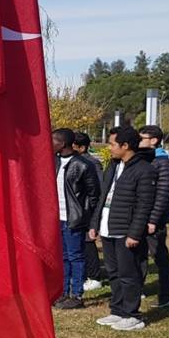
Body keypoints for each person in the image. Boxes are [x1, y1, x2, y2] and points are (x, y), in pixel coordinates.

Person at [89, 127, 157, 332]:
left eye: (112, 144)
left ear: (125, 146)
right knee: (114, 272)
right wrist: (95, 223)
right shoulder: (113, 166)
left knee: (129, 273)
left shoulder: (144, 169)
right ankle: (117, 310)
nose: (109, 148)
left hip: (126, 231)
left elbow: (144, 204)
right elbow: (103, 198)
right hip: (108, 226)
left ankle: (132, 314)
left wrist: (134, 233)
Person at [51, 129, 101, 310]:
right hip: (57, 218)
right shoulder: (54, 161)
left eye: (53, 141)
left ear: (62, 144)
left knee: (76, 256)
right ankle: (64, 292)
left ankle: (76, 294)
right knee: (63, 257)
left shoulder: (83, 165)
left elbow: (94, 195)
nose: (50, 144)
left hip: (74, 219)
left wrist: (88, 219)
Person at [137, 125, 169, 308]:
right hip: (140, 216)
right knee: (139, 255)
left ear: (154, 140)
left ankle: (165, 295)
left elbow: (163, 194)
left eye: (142, 138)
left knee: (159, 256)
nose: (139, 142)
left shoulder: (163, 163)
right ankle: (138, 288)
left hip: (155, 219)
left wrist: (153, 219)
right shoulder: (143, 160)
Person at [73, 132, 105, 291]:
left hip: (87, 208)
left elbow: (98, 188)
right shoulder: (74, 161)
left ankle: (94, 276)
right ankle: (84, 273)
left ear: (82, 147)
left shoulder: (92, 164)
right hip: (77, 208)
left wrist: (93, 208)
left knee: (88, 241)